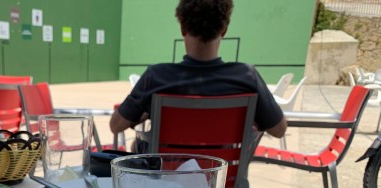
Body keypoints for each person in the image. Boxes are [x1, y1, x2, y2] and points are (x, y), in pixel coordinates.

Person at [110, 0, 287, 144]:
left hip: (167, 173)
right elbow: (279, 130)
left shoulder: (156, 76)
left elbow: (116, 125)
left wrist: (147, 112)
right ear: (224, 30)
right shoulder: (247, 76)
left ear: (183, 29)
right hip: (221, 173)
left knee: (137, 145)